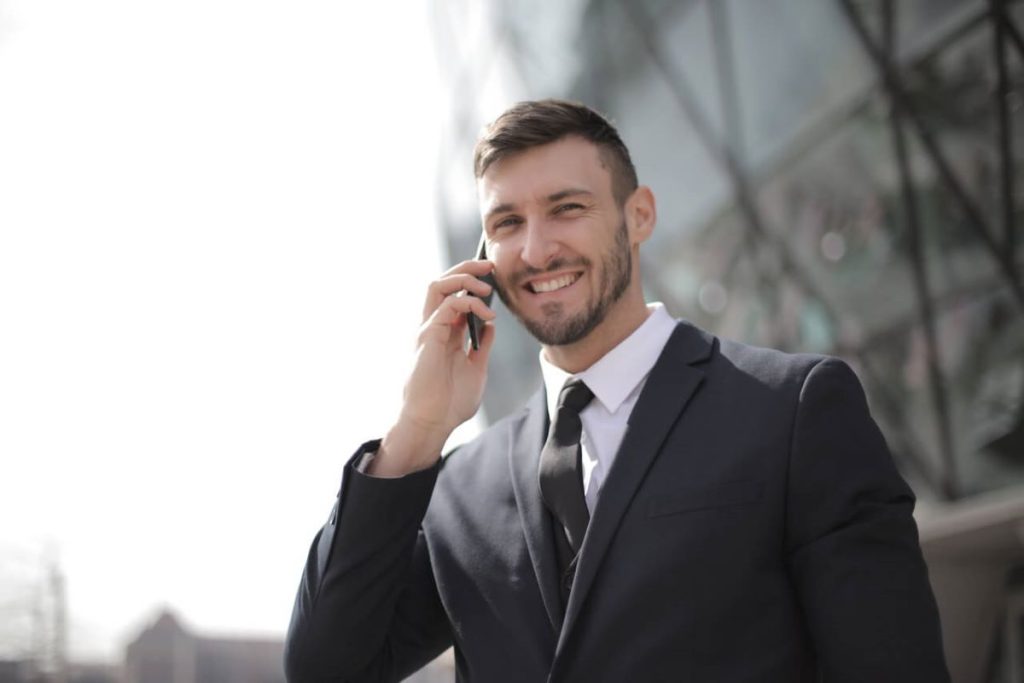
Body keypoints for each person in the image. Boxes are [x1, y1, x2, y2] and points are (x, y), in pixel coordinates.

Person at [284, 100, 950, 682]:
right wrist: (417, 429)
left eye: (566, 209)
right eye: (508, 222)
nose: (538, 250)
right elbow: (326, 667)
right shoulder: (459, 487)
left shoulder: (794, 411)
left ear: (639, 216)